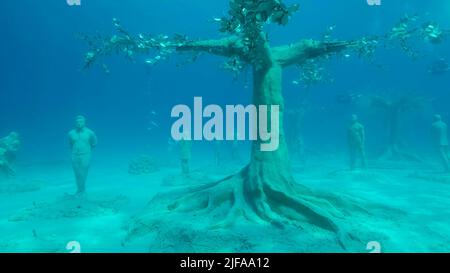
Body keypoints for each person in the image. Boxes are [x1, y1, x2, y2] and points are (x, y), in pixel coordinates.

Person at [68, 115, 97, 195]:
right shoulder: (70, 133)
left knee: (83, 173)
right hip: (74, 155)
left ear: (84, 122)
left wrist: (86, 151)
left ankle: (82, 190)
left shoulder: (90, 133)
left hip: (86, 155)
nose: (79, 123)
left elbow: (94, 143)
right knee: (77, 173)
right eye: (77, 122)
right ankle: (79, 190)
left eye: (81, 121)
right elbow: (71, 144)